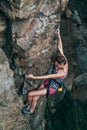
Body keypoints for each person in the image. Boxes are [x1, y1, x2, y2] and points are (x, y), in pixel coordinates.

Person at [22, 29, 68, 115]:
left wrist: (33, 77)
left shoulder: (61, 73)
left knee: (30, 94)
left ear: (61, 64)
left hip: (51, 88)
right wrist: (58, 35)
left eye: (57, 65)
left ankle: (27, 104)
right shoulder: (63, 59)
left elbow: (46, 77)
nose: (56, 66)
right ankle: (31, 111)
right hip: (48, 82)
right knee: (35, 98)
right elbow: (60, 48)